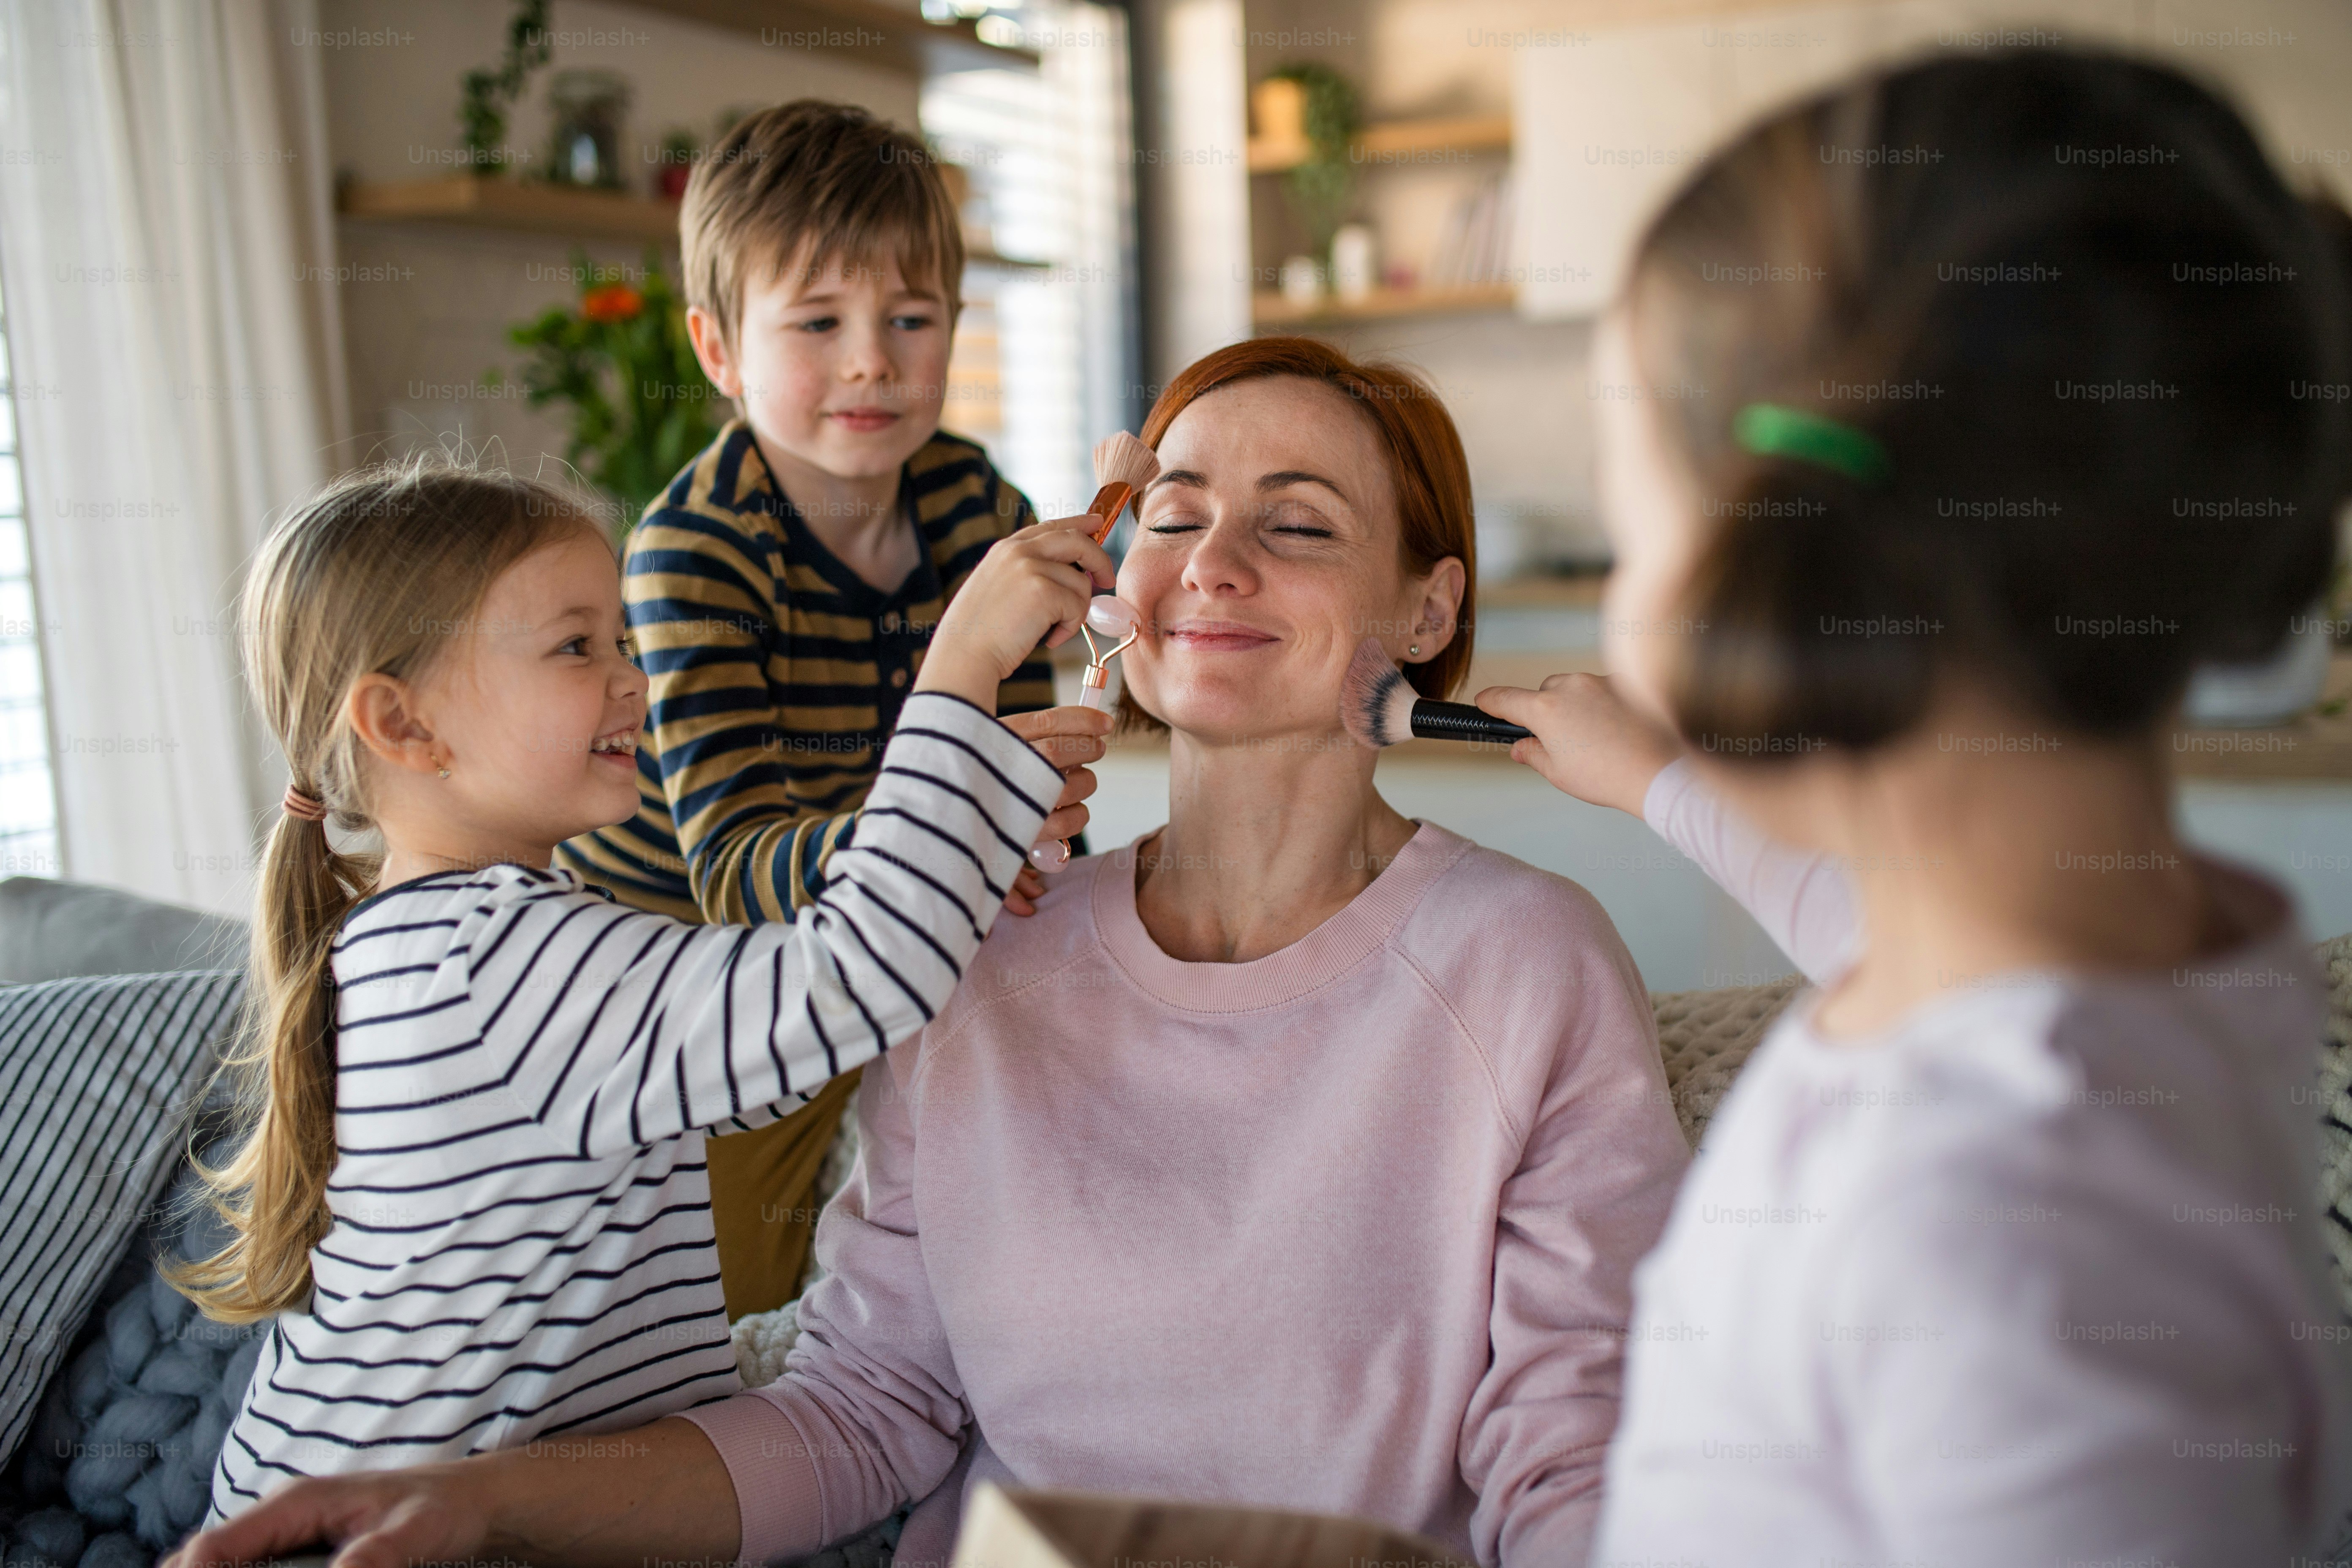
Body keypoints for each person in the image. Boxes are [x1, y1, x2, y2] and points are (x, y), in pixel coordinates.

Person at [166, 340, 1692, 1568]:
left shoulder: (1523, 963)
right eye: (1168, 513)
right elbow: (864, 1412)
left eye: (1296, 525)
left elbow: (1569, 1454)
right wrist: (485, 1504)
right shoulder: (981, 953)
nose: (1213, 560)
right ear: (1116, 577)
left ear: (1426, 608)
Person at [1476, 48, 2352, 1564]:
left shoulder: (2004, 1232)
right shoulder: (2131, 980)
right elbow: (1876, 935)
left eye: (1634, 539)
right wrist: (1660, 785)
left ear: (1773, 569)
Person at [172, 459, 1113, 1523]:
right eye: (577, 646)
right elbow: (851, 979)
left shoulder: (449, 937)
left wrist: (970, 824)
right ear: (405, 725)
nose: (634, 679)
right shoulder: (494, 956)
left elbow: (748, 1064)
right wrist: (964, 660)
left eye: (621, 639)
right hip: (378, 1539)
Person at [556, 101, 1083, 1317]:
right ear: (718, 349)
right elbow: (737, 872)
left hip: (897, 910)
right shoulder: (693, 550)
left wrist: (1027, 844)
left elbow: (1028, 787)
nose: (872, 362)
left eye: (912, 318)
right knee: (736, 1290)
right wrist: (952, 832)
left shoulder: (979, 508)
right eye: (818, 323)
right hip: (699, 963)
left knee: (1063, 1097)